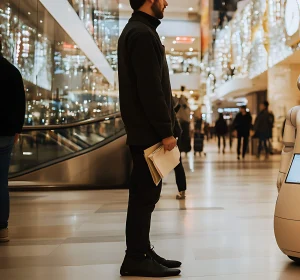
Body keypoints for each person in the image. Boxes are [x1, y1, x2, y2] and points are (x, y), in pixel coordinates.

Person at [118, 0, 181, 277]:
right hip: (148, 133)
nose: (166, 2)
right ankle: (135, 257)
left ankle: (142, 250)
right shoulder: (142, 34)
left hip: (145, 131)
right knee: (144, 197)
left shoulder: (140, 31)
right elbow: (150, 89)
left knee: (146, 195)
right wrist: (166, 131)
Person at [0, 38, 26, 243]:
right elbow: (20, 104)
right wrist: (16, 129)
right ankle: (2, 228)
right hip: (5, 134)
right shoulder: (12, 72)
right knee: (1, 181)